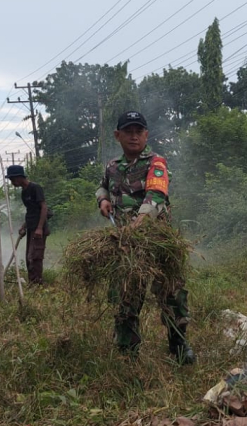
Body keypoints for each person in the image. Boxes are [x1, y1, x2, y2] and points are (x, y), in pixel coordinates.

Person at [95, 111, 195, 365]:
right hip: (126, 244)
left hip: (158, 240)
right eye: (128, 131)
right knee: (126, 294)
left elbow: (157, 192)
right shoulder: (113, 166)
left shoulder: (155, 162)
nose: (134, 136)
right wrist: (103, 199)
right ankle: (128, 350)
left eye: (139, 131)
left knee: (172, 292)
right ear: (118, 136)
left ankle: (178, 343)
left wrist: (143, 217)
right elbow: (102, 185)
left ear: (146, 135)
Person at [6, 165, 50, 285]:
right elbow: (31, 211)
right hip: (31, 228)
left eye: (12, 179)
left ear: (19, 177)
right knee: (28, 257)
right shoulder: (24, 192)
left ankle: (37, 283)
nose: (12, 182)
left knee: (34, 257)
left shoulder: (35, 188)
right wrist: (24, 226)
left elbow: (44, 208)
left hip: (39, 229)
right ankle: (33, 283)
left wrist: (40, 228)